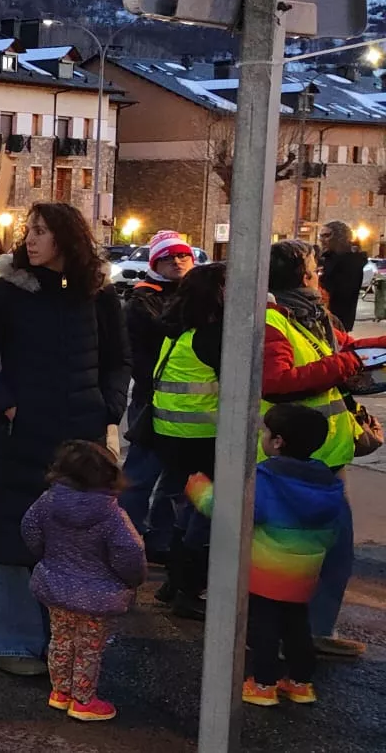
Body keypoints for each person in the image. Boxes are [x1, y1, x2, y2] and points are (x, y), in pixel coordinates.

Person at [0, 202, 129, 676]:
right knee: (10, 534)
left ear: (66, 239)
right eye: (28, 231)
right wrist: (7, 405)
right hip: (19, 438)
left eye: (40, 231)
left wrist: (108, 406)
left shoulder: (98, 295)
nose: (30, 240)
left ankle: (61, 646)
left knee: (71, 542)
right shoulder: (6, 294)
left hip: (82, 440)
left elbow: (119, 359)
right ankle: (8, 643)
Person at [260, 239, 386, 657]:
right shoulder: (275, 320)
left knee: (325, 551)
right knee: (312, 553)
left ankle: (298, 633)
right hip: (293, 459)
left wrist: (373, 347)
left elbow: (341, 345)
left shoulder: (312, 315)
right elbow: (276, 381)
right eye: (314, 265)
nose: (320, 271)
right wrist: (347, 364)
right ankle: (290, 639)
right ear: (301, 274)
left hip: (324, 453)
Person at [185, 403, 343, 707]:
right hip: (304, 573)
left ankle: (263, 683)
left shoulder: (266, 478)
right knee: (297, 626)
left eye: (265, 432)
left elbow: (235, 512)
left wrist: (200, 490)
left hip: (268, 572)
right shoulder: (326, 482)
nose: (263, 436)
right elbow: (333, 529)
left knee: (264, 627)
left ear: (277, 441)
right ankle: (300, 683)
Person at [20, 439, 146, 723]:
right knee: (89, 647)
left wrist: (47, 557)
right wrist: (132, 580)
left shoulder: (47, 501)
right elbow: (130, 553)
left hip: (56, 587)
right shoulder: (111, 515)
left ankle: (60, 692)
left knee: (61, 639)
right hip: (97, 595)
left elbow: (29, 528)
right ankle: (83, 700)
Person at [146, 262, 227, 620]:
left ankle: (174, 582)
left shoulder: (176, 330)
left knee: (187, 506)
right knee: (207, 511)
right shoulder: (211, 336)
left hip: (171, 434)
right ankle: (189, 587)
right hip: (202, 436)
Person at [119, 230, 195, 559]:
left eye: (183, 256)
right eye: (168, 258)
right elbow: (163, 332)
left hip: (187, 405)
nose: (177, 262)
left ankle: (159, 540)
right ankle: (126, 537)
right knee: (141, 473)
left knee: (176, 479)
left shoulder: (195, 294)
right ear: (155, 263)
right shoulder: (143, 299)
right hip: (151, 398)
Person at [316, 221, 368, 332]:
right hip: (322, 316)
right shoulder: (326, 259)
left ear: (340, 237)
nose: (322, 239)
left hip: (337, 318)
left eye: (327, 235)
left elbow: (342, 292)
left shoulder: (351, 261)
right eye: (320, 235)